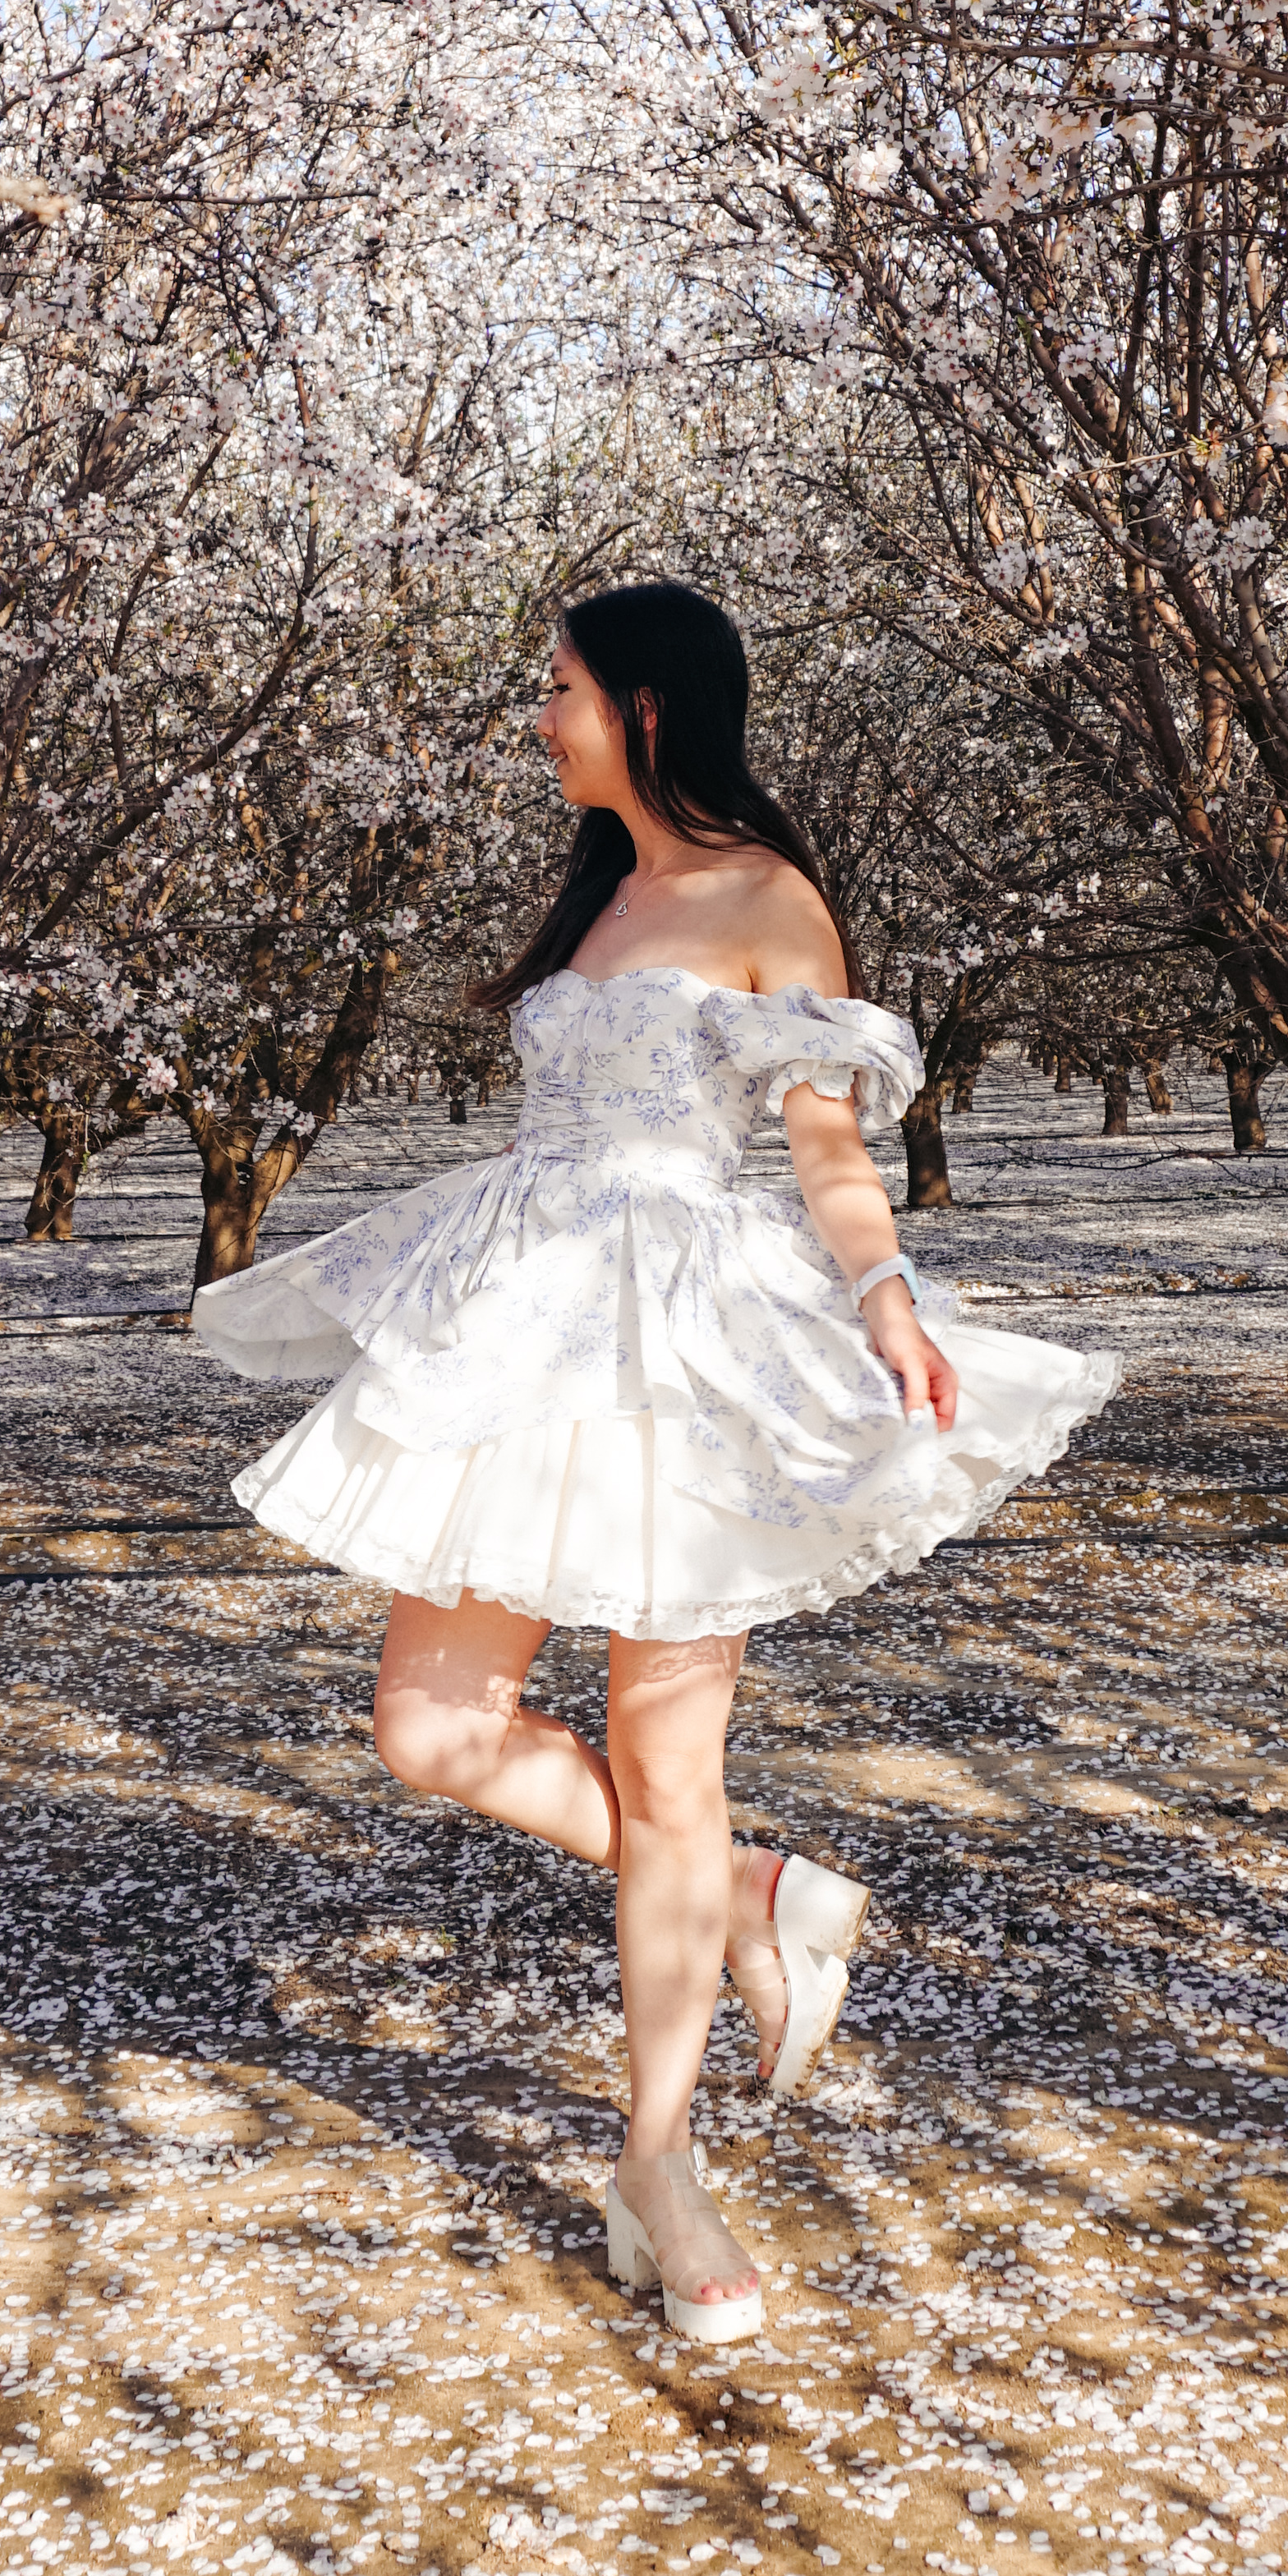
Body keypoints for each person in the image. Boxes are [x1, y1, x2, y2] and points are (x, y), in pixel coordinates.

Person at [191, 580, 1117, 2346]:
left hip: (683, 1349)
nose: (537, 717)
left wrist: (888, 1298)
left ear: (649, 701)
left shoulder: (769, 900)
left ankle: (659, 2164)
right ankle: (755, 1895)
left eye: (556, 688)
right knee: (429, 1731)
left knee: (663, 1771)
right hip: (520, 1330)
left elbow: (823, 1140)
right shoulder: (600, 897)